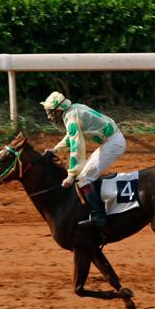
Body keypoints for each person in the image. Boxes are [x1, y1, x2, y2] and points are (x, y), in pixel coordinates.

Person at [41, 91, 126, 228]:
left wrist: (71, 174)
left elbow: (77, 146)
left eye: (50, 112)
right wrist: (55, 150)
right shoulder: (73, 109)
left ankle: (99, 216)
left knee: (83, 178)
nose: (49, 116)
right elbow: (71, 136)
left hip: (113, 143)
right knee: (85, 176)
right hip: (113, 140)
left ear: (58, 110)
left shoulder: (70, 118)